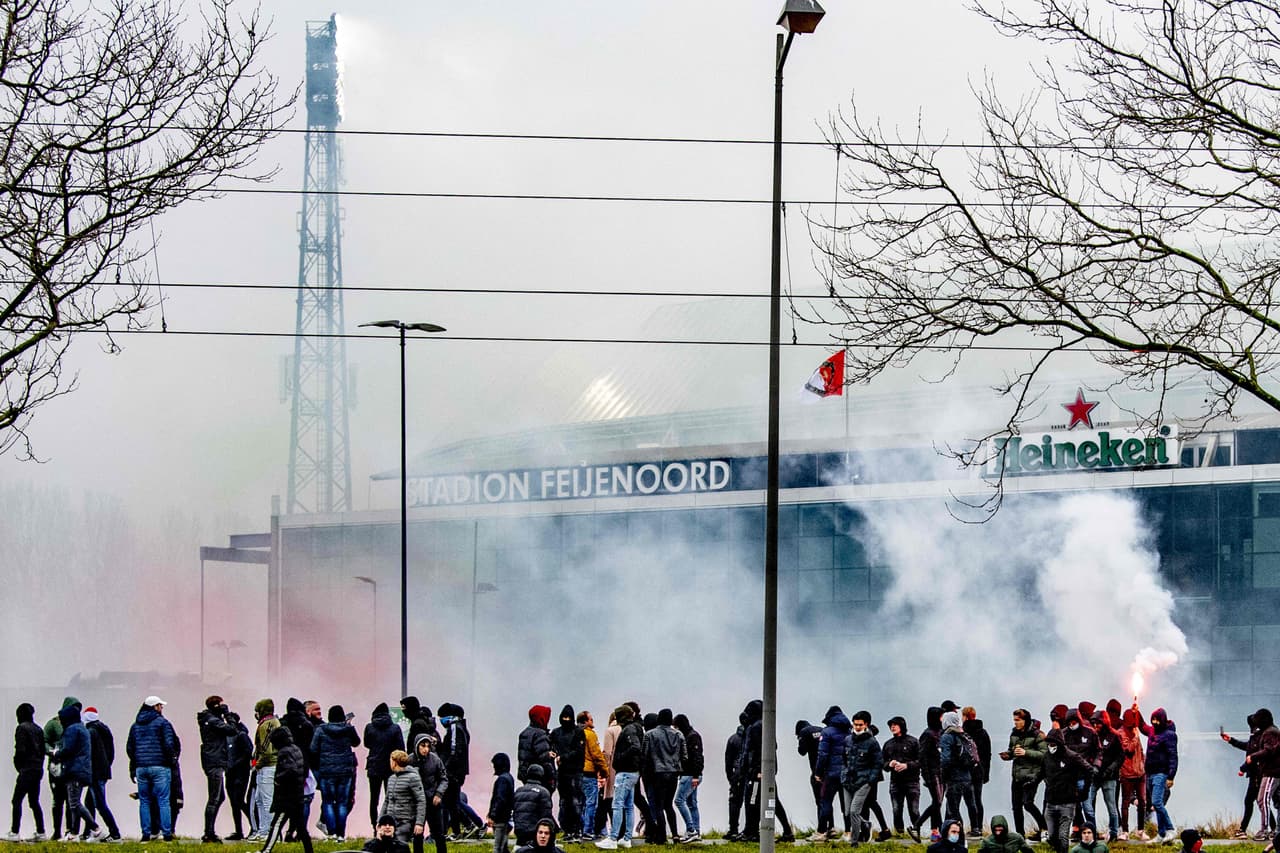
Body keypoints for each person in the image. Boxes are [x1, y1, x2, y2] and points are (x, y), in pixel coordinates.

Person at [741, 698, 794, 843]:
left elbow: (757, 750)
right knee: (773, 801)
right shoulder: (765, 725)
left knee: (753, 801)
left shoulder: (756, 727)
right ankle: (787, 832)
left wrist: (757, 769)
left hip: (758, 771)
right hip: (767, 770)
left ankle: (752, 832)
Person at [126, 695, 177, 842]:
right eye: (160, 705)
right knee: (163, 801)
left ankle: (146, 835)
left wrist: (134, 766)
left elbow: (130, 748)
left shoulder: (135, 725)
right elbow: (169, 744)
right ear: (155, 707)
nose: (162, 708)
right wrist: (172, 760)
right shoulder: (163, 723)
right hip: (160, 766)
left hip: (141, 768)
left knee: (144, 801)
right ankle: (166, 834)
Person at [258, 725, 312, 853]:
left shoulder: (284, 752)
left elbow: (290, 770)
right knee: (301, 828)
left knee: (276, 824)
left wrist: (277, 779)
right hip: (297, 794)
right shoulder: (295, 749)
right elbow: (302, 769)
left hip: (286, 797)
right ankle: (309, 851)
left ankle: (266, 850)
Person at [597, 704, 643, 850]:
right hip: (633, 772)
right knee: (628, 806)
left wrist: (620, 757)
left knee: (617, 804)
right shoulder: (636, 728)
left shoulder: (628, 730)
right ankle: (626, 838)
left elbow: (635, 747)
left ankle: (613, 838)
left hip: (624, 772)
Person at [52, 703, 101, 840]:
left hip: (74, 770)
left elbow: (68, 750)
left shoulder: (72, 729)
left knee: (74, 803)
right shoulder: (82, 728)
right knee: (74, 803)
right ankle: (74, 834)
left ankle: (96, 829)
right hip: (83, 770)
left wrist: (56, 753)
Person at [312, 704, 361, 840]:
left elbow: (313, 748)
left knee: (328, 802)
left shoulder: (321, 729)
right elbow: (356, 742)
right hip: (345, 771)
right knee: (342, 803)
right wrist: (349, 726)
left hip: (327, 771)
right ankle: (341, 835)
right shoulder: (348, 729)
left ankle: (332, 833)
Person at [1042, 727, 1094, 853]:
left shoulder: (1072, 756)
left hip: (1067, 802)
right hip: (1050, 802)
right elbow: (1041, 773)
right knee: (1052, 836)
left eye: (1053, 744)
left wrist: (1085, 791)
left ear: (1059, 743)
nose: (1050, 746)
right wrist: (1032, 782)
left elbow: (1089, 770)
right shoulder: (1046, 756)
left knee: (1063, 836)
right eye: (1049, 744)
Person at [1000, 709, 1045, 841]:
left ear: (1025, 720)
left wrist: (1026, 753)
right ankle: (1020, 835)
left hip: (1031, 775)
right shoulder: (1014, 733)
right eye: (1014, 720)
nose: (1016, 723)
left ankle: (1045, 828)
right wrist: (1008, 755)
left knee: (1028, 803)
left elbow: (1044, 754)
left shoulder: (1037, 735)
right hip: (1017, 775)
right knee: (1016, 807)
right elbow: (1012, 750)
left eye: (1018, 720)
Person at [198, 695, 238, 843]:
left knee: (219, 797)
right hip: (215, 762)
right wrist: (227, 715)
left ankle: (210, 831)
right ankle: (208, 833)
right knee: (214, 798)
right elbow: (232, 730)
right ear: (216, 706)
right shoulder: (213, 721)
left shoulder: (208, 719)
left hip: (212, 760)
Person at [643, 708, 685, 845]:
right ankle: (675, 835)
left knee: (659, 806)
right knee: (669, 805)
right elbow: (684, 755)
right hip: (673, 773)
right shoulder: (679, 734)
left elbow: (645, 755)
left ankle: (661, 836)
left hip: (657, 773)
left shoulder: (649, 734)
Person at [843, 710, 883, 848]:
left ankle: (854, 841)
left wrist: (870, 780)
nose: (857, 727)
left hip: (864, 782)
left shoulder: (872, 742)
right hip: (848, 781)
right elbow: (844, 759)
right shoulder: (847, 740)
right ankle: (865, 824)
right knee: (847, 812)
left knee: (854, 811)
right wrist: (843, 774)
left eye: (860, 725)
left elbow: (878, 763)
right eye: (855, 724)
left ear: (866, 725)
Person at [1137, 705, 1177, 843]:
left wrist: (1171, 776)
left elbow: (1173, 756)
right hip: (1150, 773)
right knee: (1157, 804)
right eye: (1153, 719)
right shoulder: (1152, 731)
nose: (1155, 722)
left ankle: (1170, 829)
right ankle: (1161, 834)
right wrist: (1136, 712)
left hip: (1161, 773)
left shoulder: (1170, 735)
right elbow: (1142, 726)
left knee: (1157, 803)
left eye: (1157, 720)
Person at [366, 702, 407, 832]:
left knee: (374, 799)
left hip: (373, 766)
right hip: (391, 767)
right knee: (390, 798)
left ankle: (375, 826)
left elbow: (367, 744)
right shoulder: (395, 728)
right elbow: (401, 747)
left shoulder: (369, 727)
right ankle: (390, 825)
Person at [43, 696, 79, 840]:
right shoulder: (53, 724)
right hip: (56, 767)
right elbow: (44, 740)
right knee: (58, 800)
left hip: (71, 767)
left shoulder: (77, 726)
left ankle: (70, 830)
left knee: (71, 800)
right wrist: (51, 751)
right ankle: (57, 830)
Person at [812, 707, 850, 841]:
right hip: (847, 773)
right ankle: (848, 832)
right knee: (846, 804)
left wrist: (818, 772)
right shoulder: (849, 732)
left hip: (831, 774)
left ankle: (821, 832)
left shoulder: (827, 732)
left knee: (825, 801)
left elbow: (822, 754)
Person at [82, 707, 120, 841]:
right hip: (103, 770)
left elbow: (89, 754)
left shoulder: (90, 732)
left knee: (100, 804)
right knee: (89, 802)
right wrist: (107, 765)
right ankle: (88, 831)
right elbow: (111, 752)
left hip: (95, 772)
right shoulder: (104, 729)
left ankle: (114, 833)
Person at [9, 702, 45, 841]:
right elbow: (42, 751)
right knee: (34, 802)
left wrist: (19, 767)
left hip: (27, 769)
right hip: (37, 769)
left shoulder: (21, 728)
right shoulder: (38, 729)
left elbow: (20, 751)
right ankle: (41, 832)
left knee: (16, 800)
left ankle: (14, 832)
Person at [548, 704, 586, 840]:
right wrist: (551, 752)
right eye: (564, 717)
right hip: (562, 772)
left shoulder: (578, 732)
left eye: (568, 717)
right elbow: (549, 744)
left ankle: (577, 830)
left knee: (575, 802)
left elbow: (579, 752)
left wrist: (562, 757)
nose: (566, 720)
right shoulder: (556, 733)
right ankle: (567, 830)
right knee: (564, 802)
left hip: (575, 772)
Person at [939, 710, 978, 835]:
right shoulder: (963, 734)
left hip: (954, 777)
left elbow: (945, 759)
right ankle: (975, 828)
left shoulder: (947, 736)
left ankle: (957, 831)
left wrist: (943, 774)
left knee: (953, 807)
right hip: (967, 775)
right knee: (971, 804)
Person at [883, 715, 921, 840]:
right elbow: (882, 763)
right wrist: (889, 764)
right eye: (891, 725)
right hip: (895, 782)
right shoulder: (888, 744)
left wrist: (907, 765)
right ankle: (899, 833)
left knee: (914, 810)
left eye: (895, 725)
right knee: (896, 809)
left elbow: (921, 760)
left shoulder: (913, 741)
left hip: (912, 781)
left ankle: (916, 831)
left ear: (902, 726)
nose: (892, 727)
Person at [1244, 708, 1280, 842]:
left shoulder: (1270, 732)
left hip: (1271, 772)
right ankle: (1276, 831)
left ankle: (1265, 830)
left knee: (1262, 800)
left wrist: (1252, 757)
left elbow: (1268, 750)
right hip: (1273, 772)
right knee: (1276, 802)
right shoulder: (1271, 731)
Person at [249, 698, 281, 841]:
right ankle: (263, 831)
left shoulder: (266, 725)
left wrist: (257, 764)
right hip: (266, 766)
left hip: (268, 766)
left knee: (267, 800)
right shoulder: (272, 722)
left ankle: (270, 833)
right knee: (260, 799)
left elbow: (266, 750)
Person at [438, 703, 471, 838]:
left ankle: (461, 828)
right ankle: (463, 827)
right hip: (457, 772)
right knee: (451, 801)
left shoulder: (455, 728)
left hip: (453, 772)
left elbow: (454, 750)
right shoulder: (460, 727)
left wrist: (446, 769)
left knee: (451, 802)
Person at [411, 734, 449, 853]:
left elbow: (444, 779)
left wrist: (438, 794)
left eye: (428, 746)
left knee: (439, 834)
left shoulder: (435, 759)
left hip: (433, 801)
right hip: (417, 803)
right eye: (423, 746)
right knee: (417, 834)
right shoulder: (410, 760)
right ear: (417, 746)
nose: (426, 749)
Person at [1090, 710, 1123, 843]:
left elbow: (1120, 756)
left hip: (1109, 777)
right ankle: (1091, 832)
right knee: (1088, 803)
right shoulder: (1092, 735)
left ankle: (1114, 833)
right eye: (1093, 723)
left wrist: (1110, 769)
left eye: (1098, 723)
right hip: (1094, 776)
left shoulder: (1114, 735)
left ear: (1104, 722)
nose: (1095, 726)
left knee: (1111, 806)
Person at [381, 749, 426, 847]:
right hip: (391, 821)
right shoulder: (391, 779)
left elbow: (421, 801)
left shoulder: (413, 778)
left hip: (405, 821)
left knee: (398, 846)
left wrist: (419, 823)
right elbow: (387, 801)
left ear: (394, 762)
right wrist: (380, 821)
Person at [915, 707, 945, 842]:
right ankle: (917, 825)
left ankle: (936, 832)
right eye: (941, 716)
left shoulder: (941, 732)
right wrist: (926, 776)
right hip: (932, 773)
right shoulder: (927, 734)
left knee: (937, 803)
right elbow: (922, 757)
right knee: (937, 802)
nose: (943, 719)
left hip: (941, 772)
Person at [579, 710, 609, 842]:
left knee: (581, 803)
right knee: (591, 803)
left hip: (578, 772)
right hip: (589, 772)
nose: (592, 721)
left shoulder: (576, 733)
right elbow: (596, 755)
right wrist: (605, 770)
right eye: (590, 719)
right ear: (585, 721)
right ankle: (588, 830)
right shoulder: (590, 735)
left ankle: (580, 829)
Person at [961, 707, 991, 836]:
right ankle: (979, 827)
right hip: (979, 770)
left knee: (969, 800)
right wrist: (986, 773)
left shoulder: (963, 732)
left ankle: (974, 827)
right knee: (978, 799)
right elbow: (987, 754)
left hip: (966, 770)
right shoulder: (983, 732)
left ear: (965, 716)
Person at [226, 707, 254, 841]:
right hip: (230, 772)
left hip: (240, 772)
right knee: (234, 802)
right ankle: (239, 831)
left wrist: (235, 764)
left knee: (239, 800)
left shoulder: (241, 735)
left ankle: (254, 826)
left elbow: (248, 752)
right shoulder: (228, 736)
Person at [1117, 709, 1146, 840]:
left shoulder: (1134, 731)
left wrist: (1143, 765)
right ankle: (1125, 831)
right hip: (1127, 774)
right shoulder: (1121, 733)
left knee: (1142, 802)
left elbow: (1140, 750)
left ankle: (1141, 830)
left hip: (1140, 773)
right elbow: (1129, 749)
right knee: (1125, 803)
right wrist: (1135, 737)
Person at [673, 713, 702, 843]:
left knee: (679, 800)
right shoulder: (690, 735)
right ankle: (696, 831)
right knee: (692, 803)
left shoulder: (692, 737)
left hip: (690, 775)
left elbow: (697, 757)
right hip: (691, 774)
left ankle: (691, 830)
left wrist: (695, 775)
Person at [512, 763, 554, 847]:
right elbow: (546, 816)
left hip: (519, 830)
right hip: (534, 832)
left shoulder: (519, 791)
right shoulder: (543, 792)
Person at [518, 706, 555, 793]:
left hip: (526, 776)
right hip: (541, 777)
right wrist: (552, 777)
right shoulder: (540, 734)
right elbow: (544, 758)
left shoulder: (524, 733)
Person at [723, 711, 748, 842]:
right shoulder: (754, 735)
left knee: (734, 801)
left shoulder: (733, 739)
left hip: (737, 774)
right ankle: (750, 830)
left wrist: (730, 777)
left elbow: (728, 760)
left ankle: (733, 830)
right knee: (751, 802)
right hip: (750, 773)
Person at [795, 719, 823, 835]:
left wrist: (800, 740)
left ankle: (822, 829)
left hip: (816, 771)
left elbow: (802, 751)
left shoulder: (804, 732)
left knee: (819, 801)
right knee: (826, 801)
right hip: (828, 769)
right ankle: (830, 827)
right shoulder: (822, 730)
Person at [486, 753, 515, 853]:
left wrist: (492, 815)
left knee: (497, 848)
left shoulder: (502, 779)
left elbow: (499, 799)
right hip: (505, 817)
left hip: (500, 819)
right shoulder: (509, 778)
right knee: (503, 847)